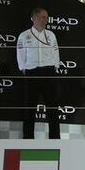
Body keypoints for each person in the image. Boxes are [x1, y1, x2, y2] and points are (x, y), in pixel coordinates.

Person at [17, 7, 61, 139]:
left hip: (48, 72)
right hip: (32, 72)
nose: (45, 20)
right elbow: (20, 54)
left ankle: (55, 140)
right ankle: (28, 139)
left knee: (52, 108)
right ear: (34, 18)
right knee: (29, 109)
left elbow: (56, 52)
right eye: (43, 17)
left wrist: (56, 66)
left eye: (46, 17)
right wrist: (23, 68)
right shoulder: (24, 35)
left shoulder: (51, 34)